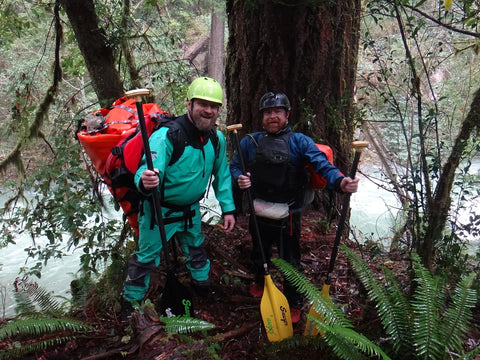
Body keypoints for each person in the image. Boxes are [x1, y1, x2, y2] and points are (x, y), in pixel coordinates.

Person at [229, 91, 359, 323]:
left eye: (277, 112)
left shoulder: (300, 142)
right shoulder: (250, 142)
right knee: (259, 251)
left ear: (287, 115)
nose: (272, 116)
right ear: (262, 117)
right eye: (268, 112)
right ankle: (261, 280)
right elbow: (235, 165)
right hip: (258, 209)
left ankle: (294, 301)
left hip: (288, 213)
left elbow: (322, 165)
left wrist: (340, 181)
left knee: (290, 259)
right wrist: (239, 178)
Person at [122, 77, 236, 317]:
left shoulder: (217, 139)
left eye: (213, 106)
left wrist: (228, 209)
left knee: (196, 249)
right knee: (145, 259)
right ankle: (129, 304)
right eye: (202, 104)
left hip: (190, 210)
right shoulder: (167, 136)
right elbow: (148, 168)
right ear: (189, 104)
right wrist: (145, 179)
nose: (208, 110)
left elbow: (222, 175)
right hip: (159, 212)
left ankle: (202, 286)